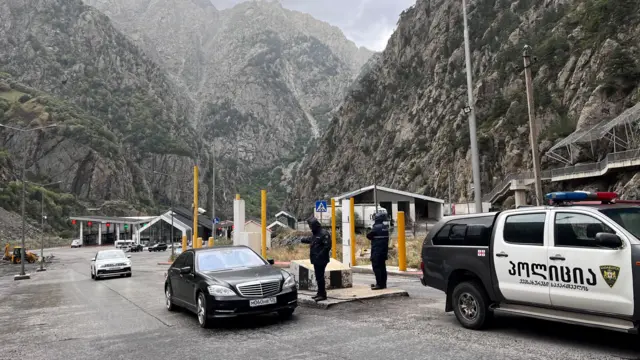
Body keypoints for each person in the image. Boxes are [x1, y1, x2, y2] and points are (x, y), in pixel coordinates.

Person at [300, 217, 332, 301]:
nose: (310, 227)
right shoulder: (316, 233)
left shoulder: (324, 233)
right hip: (315, 260)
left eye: (311, 225)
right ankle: (319, 293)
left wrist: (319, 256)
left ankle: (323, 294)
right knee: (318, 277)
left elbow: (327, 247)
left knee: (320, 277)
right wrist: (302, 240)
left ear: (315, 225)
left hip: (321, 260)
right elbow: (311, 240)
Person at [367, 212, 389, 290]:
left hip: (377, 251)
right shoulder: (385, 227)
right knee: (383, 267)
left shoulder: (376, 227)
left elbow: (368, 235)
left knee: (376, 267)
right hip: (384, 251)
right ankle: (383, 284)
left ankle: (379, 284)